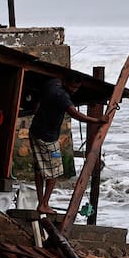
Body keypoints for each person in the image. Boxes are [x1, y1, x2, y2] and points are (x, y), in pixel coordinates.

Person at [28, 76, 106, 214]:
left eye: (76, 88)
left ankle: (41, 202)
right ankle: (44, 204)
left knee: (39, 170)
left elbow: (39, 94)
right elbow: (75, 114)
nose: (74, 91)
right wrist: (97, 120)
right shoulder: (62, 97)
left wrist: (37, 106)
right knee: (55, 171)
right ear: (65, 82)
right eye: (72, 87)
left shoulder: (52, 83)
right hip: (48, 138)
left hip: (35, 131)